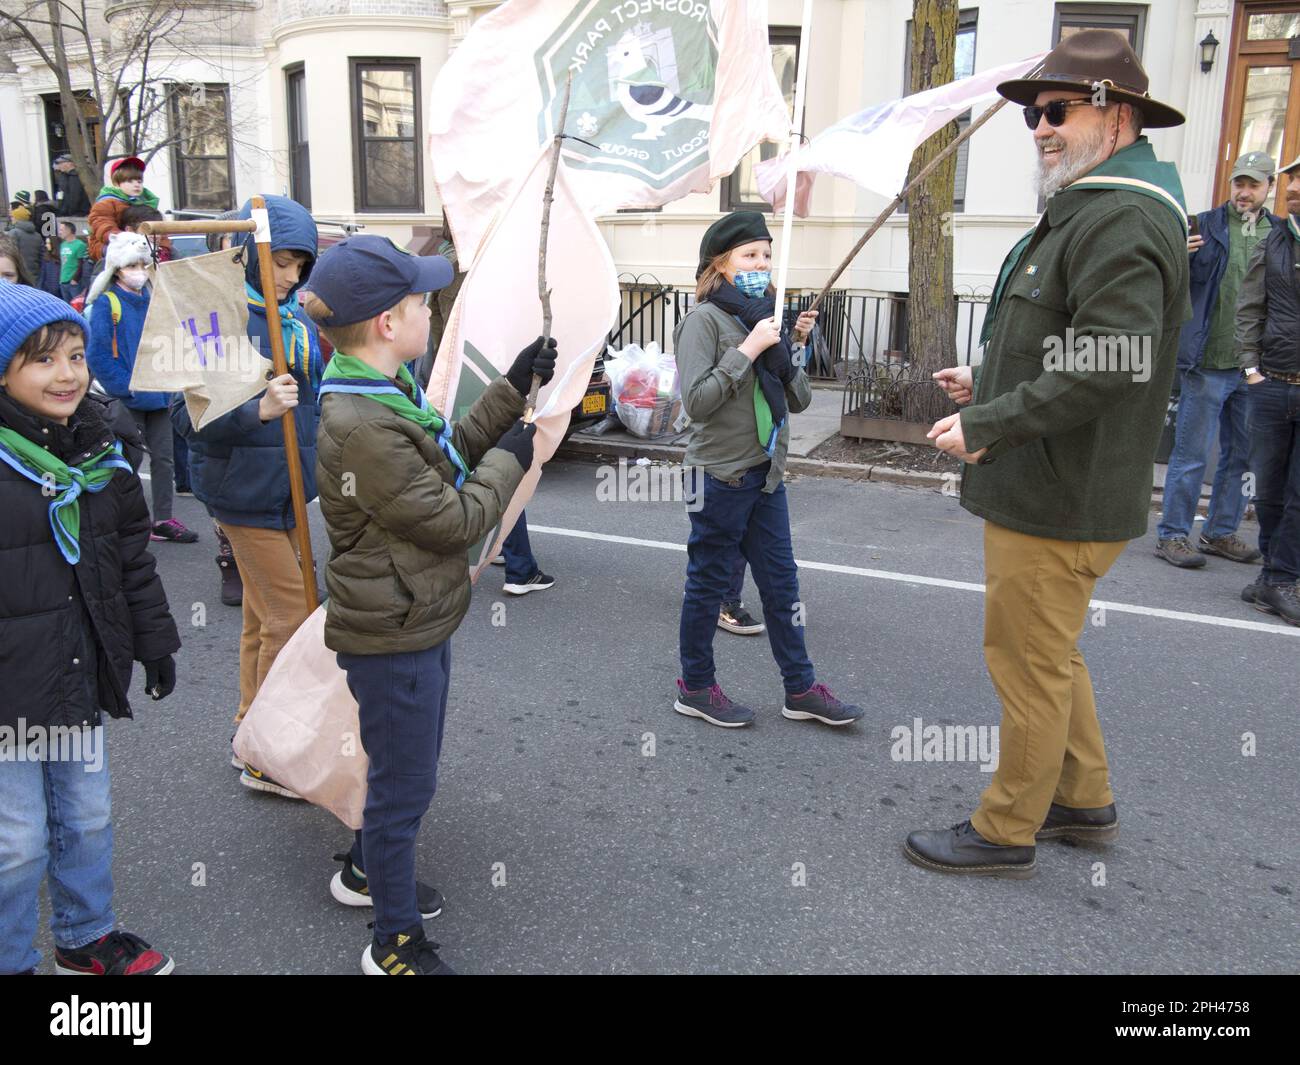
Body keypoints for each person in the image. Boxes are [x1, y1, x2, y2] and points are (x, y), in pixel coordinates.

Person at [918, 30, 1189, 877]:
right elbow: (1070, 338)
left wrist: (993, 421)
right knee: (1054, 652)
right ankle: (1082, 796)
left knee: (1026, 664)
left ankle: (1005, 829)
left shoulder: (1120, 214)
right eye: (1033, 112)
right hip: (1059, 483)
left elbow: (1114, 356)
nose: (1038, 125)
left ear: (1116, 116)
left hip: (1057, 491)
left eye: (1056, 109)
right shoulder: (1100, 203)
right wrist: (990, 375)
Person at [304, 234, 553, 975]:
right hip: (395, 630)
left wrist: (509, 391)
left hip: (412, 614)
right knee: (404, 784)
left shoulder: (382, 389)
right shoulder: (362, 423)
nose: (428, 310)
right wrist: (515, 455)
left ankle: (361, 871)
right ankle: (394, 940)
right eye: (420, 301)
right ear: (387, 322)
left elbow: (445, 457)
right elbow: (453, 518)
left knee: (402, 769)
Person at [0, 283, 180, 975]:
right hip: (9, 691)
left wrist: (153, 637)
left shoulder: (100, 456)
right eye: (44, 360)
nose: (68, 373)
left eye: (76, 355)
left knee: (86, 816)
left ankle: (85, 933)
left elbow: (130, 557)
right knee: (15, 840)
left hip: (76, 671)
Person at [673, 211, 864, 729]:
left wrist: (786, 349)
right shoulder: (704, 322)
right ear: (721, 264)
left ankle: (800, 689)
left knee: (782, 587)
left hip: (766, 477)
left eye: (765, 254)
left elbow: (798, 400)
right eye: (749, 255)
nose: (760, 263)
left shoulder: (765, 318)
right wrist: (747, 351)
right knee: (708, 586)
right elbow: (696, 402)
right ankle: (694, 685)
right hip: (716, 478)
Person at [172, 195, 322, 791]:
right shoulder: (216, 313)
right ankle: (265, 753)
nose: (289, 276)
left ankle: (246, 732)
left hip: (289, 488)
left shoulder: (297, 319)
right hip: (241, 493)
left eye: (298, 264)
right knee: (293, 615)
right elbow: (187, 419)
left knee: (263, 619)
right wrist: (255, 410)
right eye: (279, 261)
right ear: (245, 256)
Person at [1155, 151, 1278, 569]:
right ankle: (1173, 535)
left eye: (1253, 185)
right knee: (1191, 454)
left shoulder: (1279, 233)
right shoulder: (1201, 227)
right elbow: (1166, 282)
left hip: (1255, 367)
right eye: (1239, 183)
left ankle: (1220, 532)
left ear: (1268, 188)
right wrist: (1179, 256)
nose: (1244, 192)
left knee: (1242, 457)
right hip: (1207, 361)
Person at [85, 231, 197, 544]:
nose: (138, 270)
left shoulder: (152, 299)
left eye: (142, 264)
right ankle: (124, 519)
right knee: (126, 461)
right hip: (128, 398)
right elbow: (99, 354)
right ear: (117, 268)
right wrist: (125, 387)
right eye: (131, 264)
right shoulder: (108, 303)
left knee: (164, 459)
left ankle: (161, 519)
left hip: (159, 394)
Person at [1233, 153, 1300, 625]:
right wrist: (1251, 370)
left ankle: (1281, 579)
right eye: (1293, 178)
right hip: (1272, 384)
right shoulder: (1273, 239)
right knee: (1271, 491)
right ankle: (1272, 575)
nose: (1293, 187)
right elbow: (1249, 308)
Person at [88, 157, 170, 262]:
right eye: (130, 181)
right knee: (117, 258)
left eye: (139, 181)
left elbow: (158, 229)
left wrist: (163, 248)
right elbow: (102, 225)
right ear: (117, 183)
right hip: (111, 245)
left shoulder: (146, 204)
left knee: (173, 255)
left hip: (142, 245)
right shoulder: (106, 203)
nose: (136, 184)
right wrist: (126, 239)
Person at [5, 198, 42, 282]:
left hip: (19, 273)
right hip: (35, 273)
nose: (11, 219)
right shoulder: (37, 235)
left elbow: (9, 253)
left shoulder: (14, 233)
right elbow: (41, 257)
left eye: (13, 217)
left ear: (17, 218)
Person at [57, 220, 89, 302]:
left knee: (77, 305)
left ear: (69, 230)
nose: (59, 232)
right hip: (63, 280)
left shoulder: (80, 245)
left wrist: (75, 279)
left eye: (61, 230)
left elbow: (81, 263)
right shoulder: (62, 244)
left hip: (74, 282)